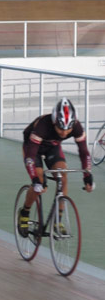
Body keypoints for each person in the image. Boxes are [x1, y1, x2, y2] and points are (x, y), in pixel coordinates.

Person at [18, 97, 93, 237]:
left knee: (63, 176)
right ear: (54, 122)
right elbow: (30, 157)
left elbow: (84, 152)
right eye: (60, 129)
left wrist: (87, 175)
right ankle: (24, 212)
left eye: (68, 129)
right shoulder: (43, 126)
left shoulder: (76, 127)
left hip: (52, 146)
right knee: (40, 184)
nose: (64, 133)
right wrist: (34, 178)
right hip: (33, 148)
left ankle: (58, 221)